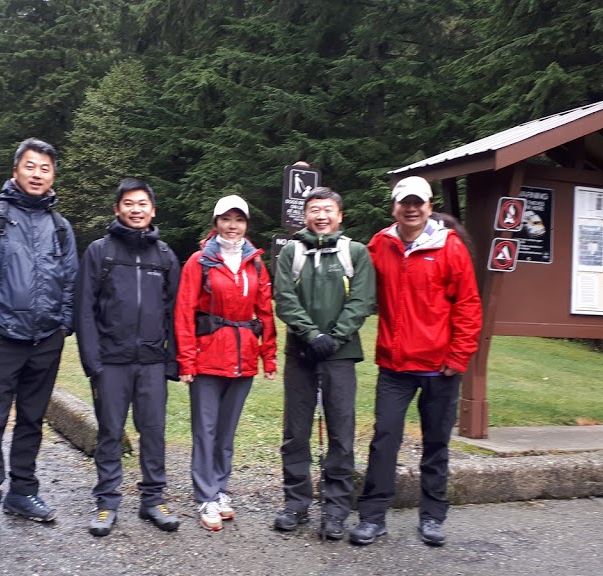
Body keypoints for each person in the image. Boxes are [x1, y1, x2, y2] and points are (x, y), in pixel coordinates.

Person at [349, 175, 482, 547]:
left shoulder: (450, 248)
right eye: (404, 202)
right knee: (384, 440)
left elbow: (469, 306)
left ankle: (433, 516)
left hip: (440, 367)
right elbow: (352, 274)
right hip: (395, 366)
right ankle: (373, 518)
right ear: (394, 206)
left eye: (418, 203)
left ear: (428, 206)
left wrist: (458, 357)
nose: (411, 208)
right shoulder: (381, 243)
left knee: (436, 444)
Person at [0, 138, 78, 542]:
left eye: (45, 168)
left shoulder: (60, 227)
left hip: (45, 339)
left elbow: (70, 281)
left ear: (52, 176)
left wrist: (62, 325)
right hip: (2, 338)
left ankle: (23, 492)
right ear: (15, 172)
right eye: (30, 166)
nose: (37, 174)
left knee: (32, 419)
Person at [75, 178, 182, 537]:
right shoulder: (99, 252)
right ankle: (106, 502)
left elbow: (174, 312)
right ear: (117, 209)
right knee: (110, 433)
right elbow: (84, 309)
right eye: (129, 204)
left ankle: (153, 499)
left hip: (151, 361)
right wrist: (93, 361)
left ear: (153, 210)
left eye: (142, 204)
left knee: (153, 432)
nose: (136, 210)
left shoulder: (165, 256)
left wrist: (172, 360)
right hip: (111, 361)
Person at [272, 185, 376, 540]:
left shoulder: (356, 253)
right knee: (296, 432)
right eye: (314, 209)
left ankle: (335, 510)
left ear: (339, 215)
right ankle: (296, 504)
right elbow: (284, 298)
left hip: (341, 357)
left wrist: (334, 336)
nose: (321, 215)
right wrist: (311, 335)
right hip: (300, 355)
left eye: (327, 209)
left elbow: (362, 301)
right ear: (305, 215)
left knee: (341, 433)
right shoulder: (291, 253)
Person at [174, 195, 278, 531]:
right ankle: (205, 495)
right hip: (207, 358)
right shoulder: (199, 261)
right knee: (205, 430)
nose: (232, 226)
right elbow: (184, 312)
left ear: (246, 224)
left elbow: (265, 312)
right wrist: (186, 361)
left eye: (239, 220)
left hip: (243, 357)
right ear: (216, 222)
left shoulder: (256, 263)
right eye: (226, 219)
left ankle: (219, 489)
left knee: (226, 431)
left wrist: (269, 354)